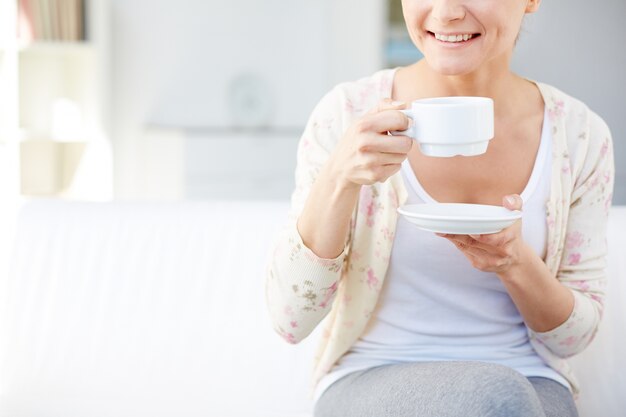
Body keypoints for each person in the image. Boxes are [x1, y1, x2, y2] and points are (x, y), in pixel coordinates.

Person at [265, 0, 615, 416]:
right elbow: (290, 321)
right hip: (374, 375)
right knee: (499, 397)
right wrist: (340, 177)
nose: (446, 12)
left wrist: (514, 262)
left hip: (532, 383)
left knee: (507, 399)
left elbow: (571, 340)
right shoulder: (345, 116)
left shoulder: (579, 137)